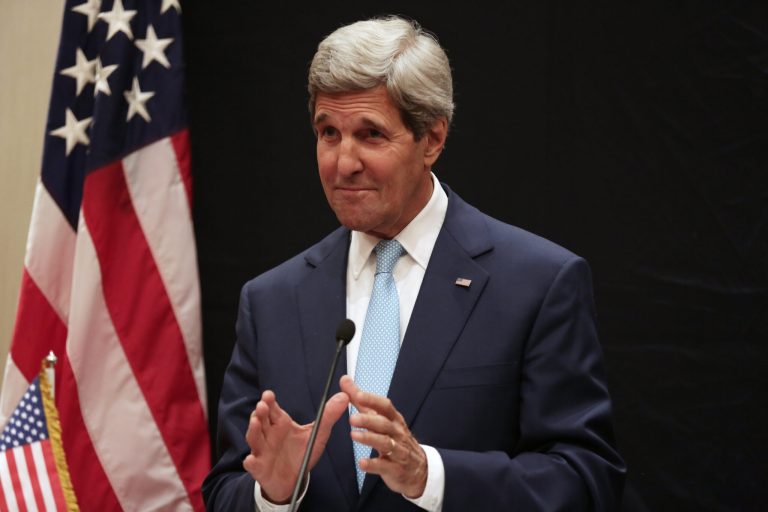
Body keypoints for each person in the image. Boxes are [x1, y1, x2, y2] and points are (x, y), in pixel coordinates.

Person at [203, 15, 626, 511]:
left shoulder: (538, 284)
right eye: (329, 133)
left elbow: (587, 480)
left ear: (432, 140)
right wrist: (273, 494)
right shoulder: (271, 300)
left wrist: (432, 475)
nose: (343, 163)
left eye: (371, 135)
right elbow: (226, 489)